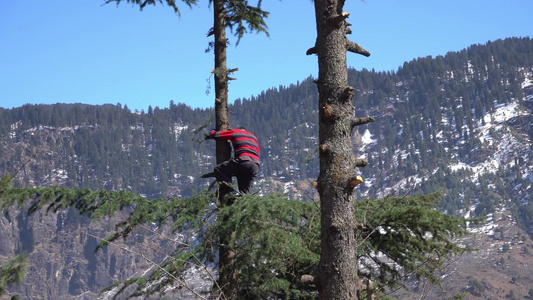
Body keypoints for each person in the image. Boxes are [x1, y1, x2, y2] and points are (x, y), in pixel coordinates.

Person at [202, 127, 260, 194]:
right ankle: (241, 202)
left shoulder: (236, 132)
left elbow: (217, 135)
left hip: (243, 160)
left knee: (219, 169)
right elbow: (257, 152)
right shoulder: (254, 137)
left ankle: (229, 193)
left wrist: (212, 132)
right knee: (244, 195)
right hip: (255, 165)